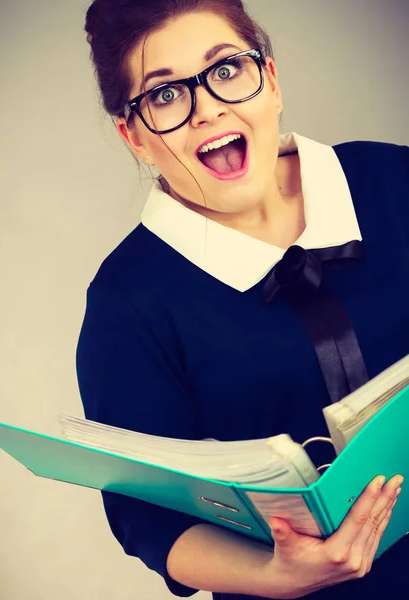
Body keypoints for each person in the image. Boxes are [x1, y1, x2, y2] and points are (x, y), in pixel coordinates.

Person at [76, 1, 409, 598]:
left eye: (226, 69)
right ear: (136, 137)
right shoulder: (127, 301)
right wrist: (271, 576)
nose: (208, 108)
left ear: (271, 81)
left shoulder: (394, 178)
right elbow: (147, 517)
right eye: (165, 96)